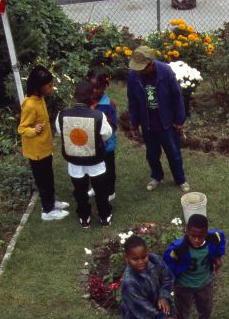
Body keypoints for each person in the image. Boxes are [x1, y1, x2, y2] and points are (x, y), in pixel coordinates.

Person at [126, 46, 190, 193]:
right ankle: (157, 176)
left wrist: (179, 120)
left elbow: (177, 97)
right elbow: (132, 101)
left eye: (141, 68)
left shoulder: (165, 72)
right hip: (147, 122)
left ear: (151, 64)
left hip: (166, 122)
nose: (138, 71)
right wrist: (134, 123)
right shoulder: (133, 76)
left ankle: (180, 179)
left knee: (174, 154)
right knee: (152, 154)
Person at [163, 214, 225, 319]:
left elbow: (221, 238)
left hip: (205, 282)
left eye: (201, 236)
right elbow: (168, 263)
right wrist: (171, 280)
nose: (197, 240)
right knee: (183, 313)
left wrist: (217, 257)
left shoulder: (214, 237)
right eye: (193, 236)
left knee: (206, 308)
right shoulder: (178, 248)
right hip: (184, 286)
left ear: (206, 233)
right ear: (186, 232)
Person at [56, 81, 112, 228]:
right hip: (95, 160)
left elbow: (61, 132)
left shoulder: (62, 115)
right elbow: (107, 134)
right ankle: (104, 216)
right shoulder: (98, 115)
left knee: (79, 190)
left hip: (74, 160)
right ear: (91, 97)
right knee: (100, 190)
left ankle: (84, 217)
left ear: (74, 96)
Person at [18, 66, 69, 221]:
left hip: (45, 148)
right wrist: (34, 130)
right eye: (49, 86)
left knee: (49, 177)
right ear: (39, 86)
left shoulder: (39, 99)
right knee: (43, 182)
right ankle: (47, 211)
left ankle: (51, 202)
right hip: (37, 152)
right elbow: (21, 128)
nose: (51, 88)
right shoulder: (30, 105)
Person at [87, 70, 117, 202]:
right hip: (90, 144)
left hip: (106, 145)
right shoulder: (86, 102)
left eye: (97, 88)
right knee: (92, 167)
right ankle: (95, 187)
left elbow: (114, 126)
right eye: (91, 87)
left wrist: (103, 138)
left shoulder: (109, 105)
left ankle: (110, 191)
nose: (94, 90)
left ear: (104, 87)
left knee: (108, 168)